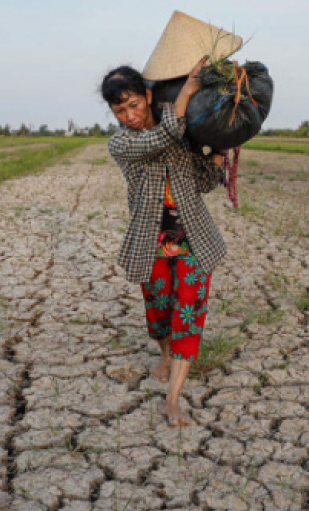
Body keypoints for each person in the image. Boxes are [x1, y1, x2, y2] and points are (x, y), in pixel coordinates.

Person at [101, 58, 226, 427]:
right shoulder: (123, 143)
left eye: (134, 104)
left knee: (187, 312)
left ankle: (173, 399)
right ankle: (164, 354)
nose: (129, 115)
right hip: (150, 242)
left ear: (148, 96)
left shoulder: (180, 131)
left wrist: (218, 153)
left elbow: (201, 182)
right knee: (158, 311)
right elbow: (160, 138)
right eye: (119, 110)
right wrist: (186, 92)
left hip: (192, 241)